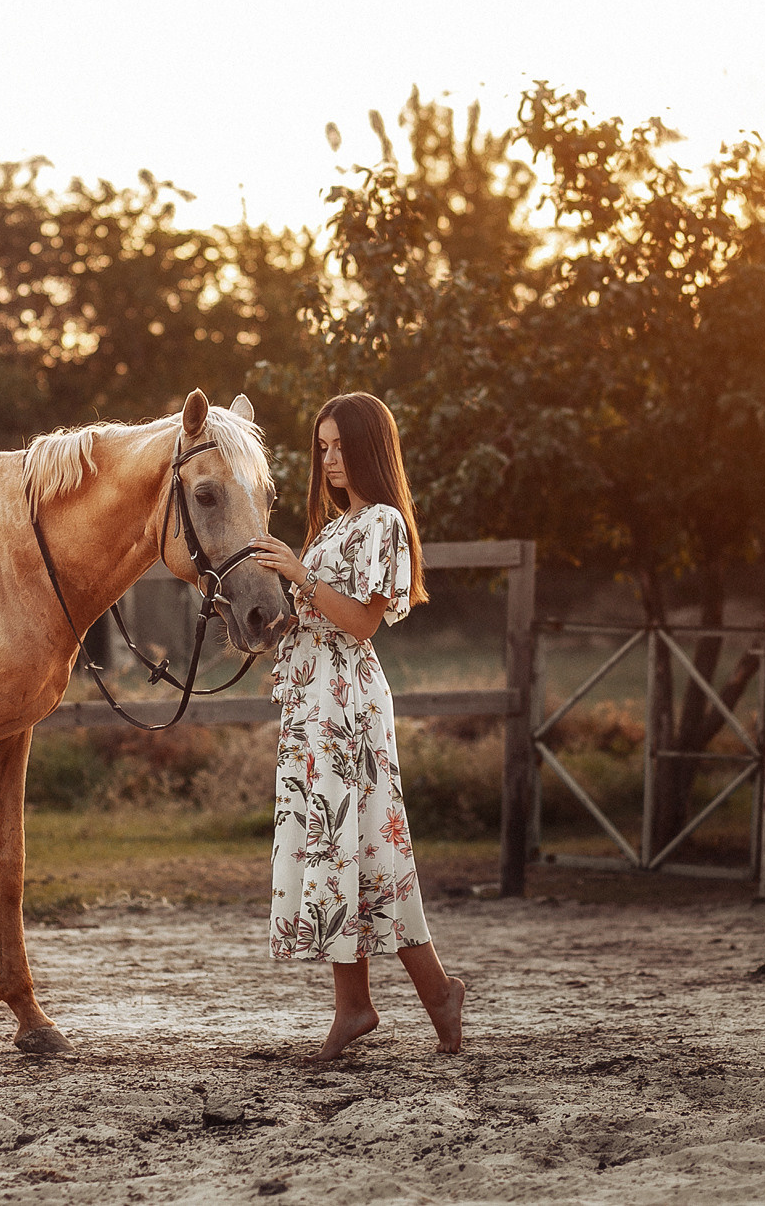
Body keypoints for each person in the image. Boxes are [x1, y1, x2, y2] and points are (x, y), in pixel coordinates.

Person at [249, 392, 467, 1061]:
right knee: (345, 850)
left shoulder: (383, 524)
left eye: (341, 446)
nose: (330, 459)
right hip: (316, 700)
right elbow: (325, 613)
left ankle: (399, 998)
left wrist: (298, 575)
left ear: (370, 448)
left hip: (348, 705)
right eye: (323, 447)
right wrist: (283, 624)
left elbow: (365, 622)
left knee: (360, 846)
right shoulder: (335, 526)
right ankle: (370, 1003)